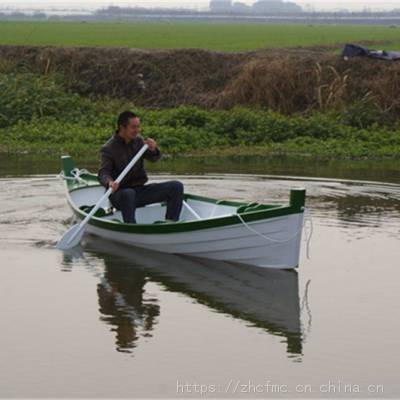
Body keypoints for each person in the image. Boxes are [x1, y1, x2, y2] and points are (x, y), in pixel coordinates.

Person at [97, 111, 184, 224]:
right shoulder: (108, 148)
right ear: (122, 127)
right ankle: (131, 227)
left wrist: (153, 150)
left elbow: (153, 159)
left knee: (176, 186)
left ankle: (171, 223)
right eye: (133, 127)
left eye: (138, 127)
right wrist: (109, 182)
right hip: (120, 195)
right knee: (128, 193)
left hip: (140, 191)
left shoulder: (138, 141)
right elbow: (103, 173)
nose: (137, 130)